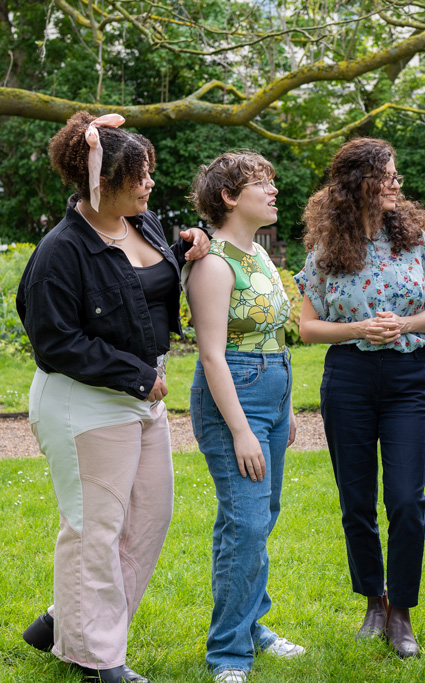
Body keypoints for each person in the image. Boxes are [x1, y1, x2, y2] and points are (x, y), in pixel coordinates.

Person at [17, 111, 209, 683]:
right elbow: (53, 341)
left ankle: (65, 619)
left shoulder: (143, 225)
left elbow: (150, 276)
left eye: (149, 172)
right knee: (94, 529)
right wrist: (135, 375)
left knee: (149, 518)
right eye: (139, 174)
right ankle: (99, 659)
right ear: (103, 181)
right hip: (84, 402)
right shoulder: (61, 250)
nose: (150, 183)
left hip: (139, 396)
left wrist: (188, 243)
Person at [294, 137, 425, 659]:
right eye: (386, 176)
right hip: (349, 378)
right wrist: (360, 327)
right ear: (357, 183)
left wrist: (403, 324)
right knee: (356, 501)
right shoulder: (326, 249)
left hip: (409, 378)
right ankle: (373, 602)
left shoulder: (415, 241)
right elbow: (308, 328)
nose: (395, 184)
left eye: (396, 176)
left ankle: (402, 612)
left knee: (406, 500)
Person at [183, 152, 303, 683]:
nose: (274, 191)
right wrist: (240, 431)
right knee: (248, 524)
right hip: (235, 397)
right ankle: (228, 654)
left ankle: (253, 625)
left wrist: (286, 408)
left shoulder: (258, 256)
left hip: (272, 391)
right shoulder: (212, 263)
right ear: (230, 197)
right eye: (263, 183)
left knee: (256, 520)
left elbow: (276, 336)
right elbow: (211, 354)